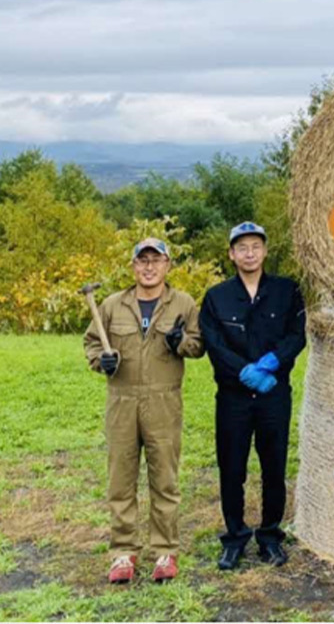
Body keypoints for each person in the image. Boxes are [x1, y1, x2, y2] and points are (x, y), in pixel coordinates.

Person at [84, 237, 204, 584]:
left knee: (164, 477)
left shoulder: (183, 303)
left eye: (156, 260)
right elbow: (92, 342)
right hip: (121, 399)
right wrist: (101, 361)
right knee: (121, 478)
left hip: (164, 400)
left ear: (167, 265)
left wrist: (178, 342)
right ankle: (123, 551)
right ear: (133, 266)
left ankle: (165, 550)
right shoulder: (111, 305)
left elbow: (198, 346)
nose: (149, 267)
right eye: (142, 261)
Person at [199, 221, 307, 570]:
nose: (249, 252)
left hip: (274, 394)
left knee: (274, 467)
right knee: (232, 468)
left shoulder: (286, 291)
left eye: (255, 246)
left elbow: (297, 334)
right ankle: (234, 539)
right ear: (231, 254)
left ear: (265, 251)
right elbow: (212, 343)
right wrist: (243, 372)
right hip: (233, 398)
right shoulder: (217, 297)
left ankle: (271, 537)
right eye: (242, 247)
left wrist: (273, 363)